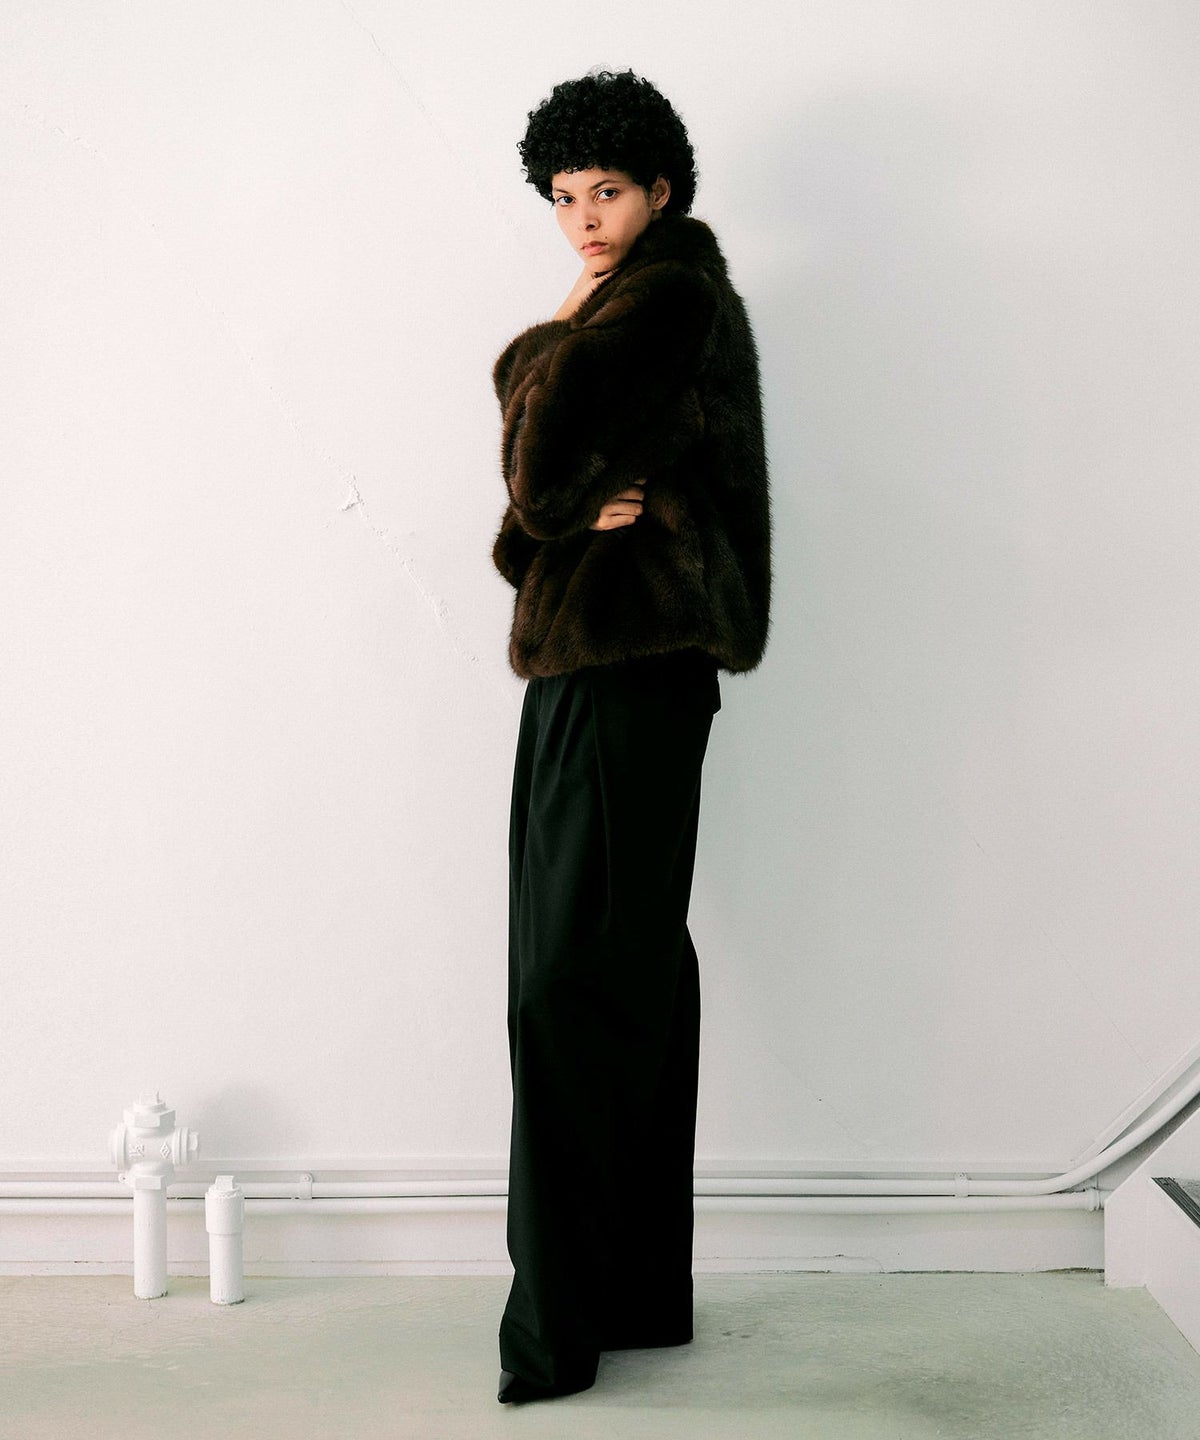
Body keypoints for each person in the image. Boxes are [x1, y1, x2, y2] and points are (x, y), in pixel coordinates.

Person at [490, 68, 772, 1404]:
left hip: (620, 671)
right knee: (629, 971)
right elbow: (531, 526)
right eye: (562, 198)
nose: (584, 221)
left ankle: (560, 1327)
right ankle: (634, 1294)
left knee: (568, 979)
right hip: (623, 671)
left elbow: (540, 476)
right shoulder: (661, 300)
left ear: (662, 191)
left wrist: (544, 342)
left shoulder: (663, 297)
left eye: (605, 192)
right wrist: (553, 508)